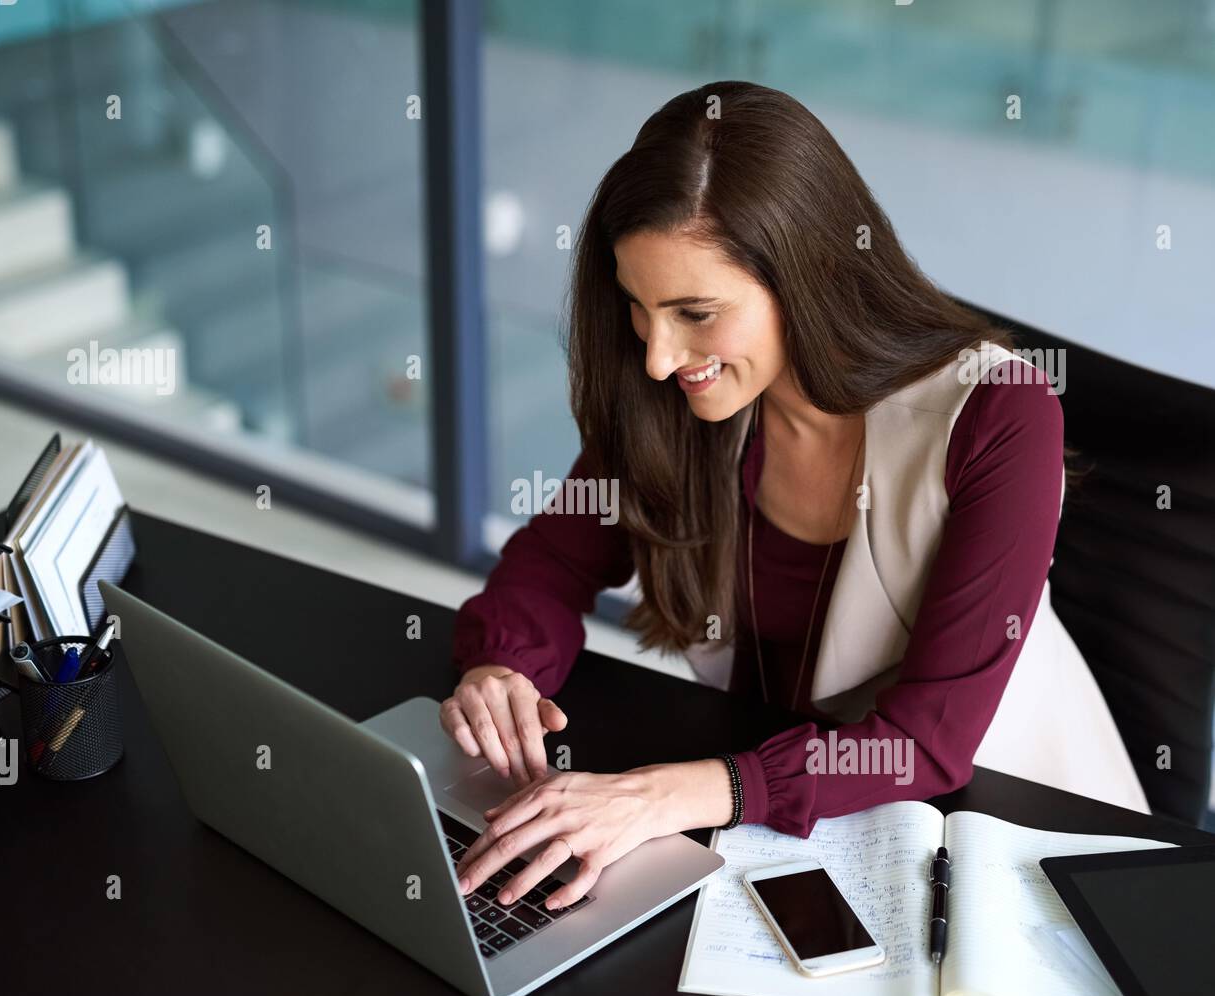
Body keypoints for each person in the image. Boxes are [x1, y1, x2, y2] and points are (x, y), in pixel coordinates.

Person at [440, 81, 1149, 915]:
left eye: (696, 313)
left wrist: (653, 797)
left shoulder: (999, 416)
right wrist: (504, 668)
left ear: (806, 276)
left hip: (1012, 826)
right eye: (639, 308)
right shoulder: (676, 399)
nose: (662, 357)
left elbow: (925, 741)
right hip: (785, 809)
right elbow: (553, 562)